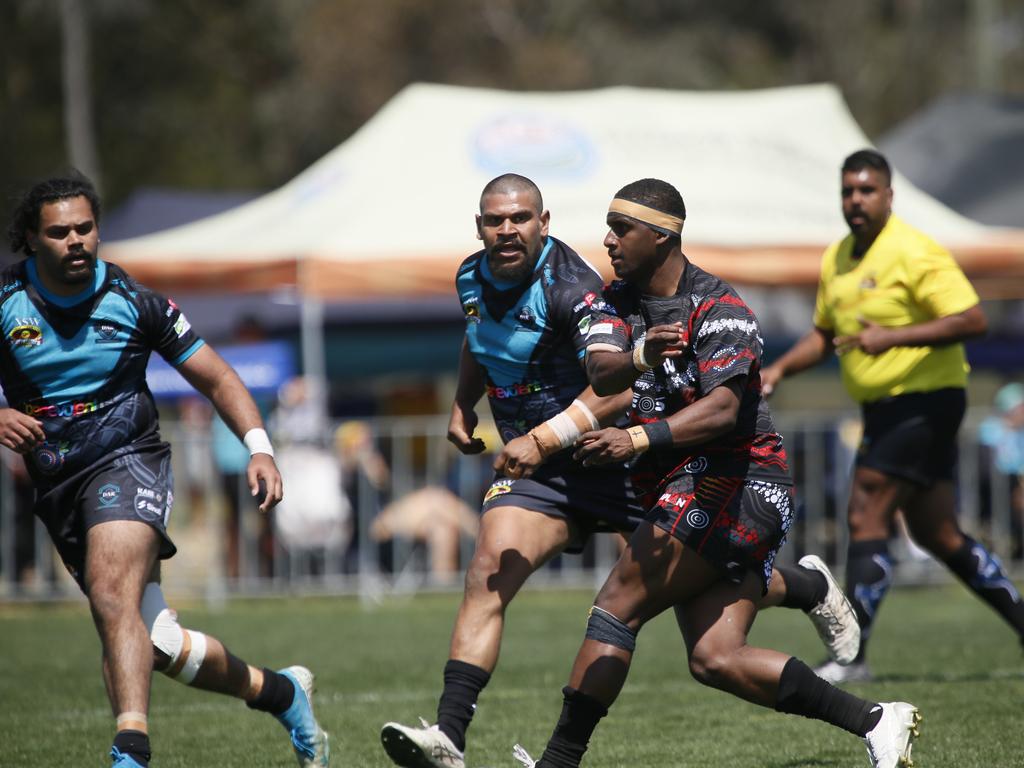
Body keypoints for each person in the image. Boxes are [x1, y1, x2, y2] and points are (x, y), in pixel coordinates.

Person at [381, 174, 861, 768]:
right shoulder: (472, 277)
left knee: (693, 622)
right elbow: (481, 339)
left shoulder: (580, 290)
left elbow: (610, 388)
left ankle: (801, 588)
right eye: (493, 221)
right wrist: (462, 401)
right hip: (547, 471)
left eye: (519, 219)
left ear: (544, 222)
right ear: (477, 225)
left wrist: (550, 433)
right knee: (489, 567)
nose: (506, 231)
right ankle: (449, 736)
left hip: (616, 459)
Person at [513, 179, 918, 768]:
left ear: (662, 235)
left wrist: (635, 436)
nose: (608, 240)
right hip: (681, 486)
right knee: (715, 659)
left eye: (620, 229)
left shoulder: (719, 307)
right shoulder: (613, 301)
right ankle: (877, 719)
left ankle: (558, 763)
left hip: (745, 480)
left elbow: (725, 410)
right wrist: (643, 355)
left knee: (618, 603)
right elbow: (602, 371)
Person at [1, 174, 329, 767]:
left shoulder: (137, 303)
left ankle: (131, 750)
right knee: (159, 643)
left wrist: (260, 448)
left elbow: (219, 377)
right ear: (31, 237)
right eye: (59, 232)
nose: (76, 240)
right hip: (59, 487)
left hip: (129, 464)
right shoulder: (5, 302)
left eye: (85, 228)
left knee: (109, 592)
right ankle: (281, 693)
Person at [761, 149, 1024, 683]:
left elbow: (972, 318)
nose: (855, 200)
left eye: (866, 190)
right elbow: (824, 335)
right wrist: (779, 370)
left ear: (888, 196)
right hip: (885, 409)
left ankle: (852, 656)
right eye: (847, 191)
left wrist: (893, 337)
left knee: (865, 511)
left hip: (924, 401)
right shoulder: (838, 257)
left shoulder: (914, 251)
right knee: (941, 535)